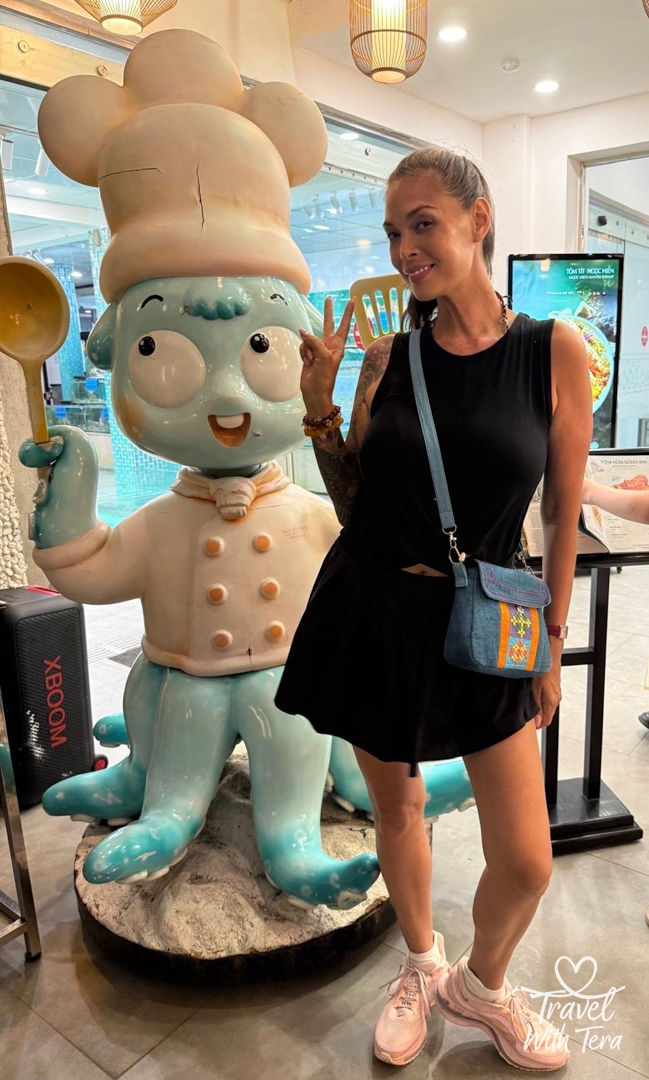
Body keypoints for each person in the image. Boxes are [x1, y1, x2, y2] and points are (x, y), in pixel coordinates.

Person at [275, 147, 592, 1069]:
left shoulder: (552, 351)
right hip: (374, 608)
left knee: (526, 858)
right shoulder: (388, 357)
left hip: (488, 616)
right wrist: (318, 409)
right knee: (399, 806)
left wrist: (551, 640)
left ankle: (479, 986)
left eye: (423, 224)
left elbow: (560, 512)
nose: (404, 248)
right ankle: (419, 964)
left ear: (477, 219)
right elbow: (355, 502)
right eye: (392, 232)